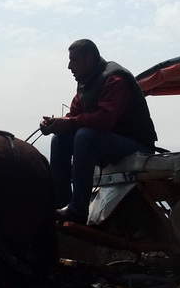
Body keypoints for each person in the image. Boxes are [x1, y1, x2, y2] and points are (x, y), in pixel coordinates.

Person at [40, 39, 157, 223]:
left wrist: (68, 123)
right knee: (59, 139)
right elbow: (74, 116)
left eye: (74, 60)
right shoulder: (85, 83)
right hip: (108, 141)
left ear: (89, 58)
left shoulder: (115, 79)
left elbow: (105, 120)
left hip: (136, 145)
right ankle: (61, 202)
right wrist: (56, 124)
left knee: (85, 136)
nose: (69, 66)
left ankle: (78, 210)